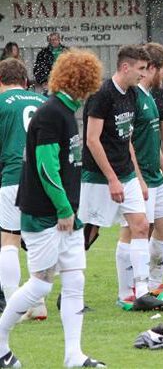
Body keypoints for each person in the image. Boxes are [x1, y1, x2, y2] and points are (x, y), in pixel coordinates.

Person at [0, 49, 105, 368]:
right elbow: (46, 167)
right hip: (45, 214)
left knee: (75, 281)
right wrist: (62, 208)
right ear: (86, 81)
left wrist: (73, 211)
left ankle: (73, 355)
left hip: (67, 216)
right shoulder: (51, 113)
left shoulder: (66, 111)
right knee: (41, 284)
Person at [77, 45, 163, 312]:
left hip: (126, 174)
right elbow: (93, 140)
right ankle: (70, 293)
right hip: (98, 177)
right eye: (140, 69)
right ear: (126, 67)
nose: (143, 75)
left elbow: (126, 138)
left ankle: (141, 292)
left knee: (141, 225)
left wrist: (136, 177)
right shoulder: (101, 95)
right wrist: (112, 179)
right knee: (87, 235)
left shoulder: (131, 94)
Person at [116, 43, 163, 303]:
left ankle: (154, 283)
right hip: (137, 176)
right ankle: (127, 290)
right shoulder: (133, 97)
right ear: (151, 68)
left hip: (155, 174)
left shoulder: (151, 96)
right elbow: (127, 141)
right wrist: (138, 177)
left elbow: (153, 137)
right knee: (135, 230)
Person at [0, 59, 48, 319]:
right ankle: (38, 303)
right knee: (37, 240)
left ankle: (13, 305)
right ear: (25, 81)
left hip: (12, 175)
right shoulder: (43, 103)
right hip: (42, 178)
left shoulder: (0, 104)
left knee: (9, 238)